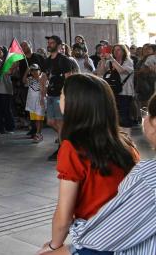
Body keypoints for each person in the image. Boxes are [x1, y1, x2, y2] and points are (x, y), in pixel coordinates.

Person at [35, 74, 138, 254]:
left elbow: (64, 215)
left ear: (74, 104)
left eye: (62, 94)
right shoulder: (125, 144)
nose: (60, 98)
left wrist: (53, 245)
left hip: (99, 238)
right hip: (129, 233)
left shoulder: (73, 148)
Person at [61, 94, 156, 255]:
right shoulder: (126, 143)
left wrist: (56, 246)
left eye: (146, 112)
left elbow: (99, 239)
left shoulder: (148, 177)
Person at [43, 35, 76, 161]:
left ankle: (62, 149)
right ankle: (68, 139)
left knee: (60, 122)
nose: (49, 44)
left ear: (58, 45)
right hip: (50, 94)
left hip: (60, 95)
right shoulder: (47, 60)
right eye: (49, 42)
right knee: (51, 122)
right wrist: (42, 94)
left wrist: (66, 95)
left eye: (52, 43)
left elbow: (69, 78)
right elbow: (44, 77)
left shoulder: (64, 60)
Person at [96, 44, 134, 134]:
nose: (116, 52)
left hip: (125, 92)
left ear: (124, 51)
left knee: (124, 117)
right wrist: (102, 60)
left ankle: (127, 138)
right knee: (113, 116)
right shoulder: (110, 62)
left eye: (118, 50)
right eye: (114, 50)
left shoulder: (128, 61)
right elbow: (100, 73)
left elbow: (121, 71)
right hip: (112, 92)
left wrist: (112, 59)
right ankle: (118, 137)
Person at [25, 64, 46, 142]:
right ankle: (38, 134)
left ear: (39, 70)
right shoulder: (30, 79)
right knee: (35, 119)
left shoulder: (43, 78)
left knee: (39, 119)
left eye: (35, 70)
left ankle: (38, 134)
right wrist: (26, 72)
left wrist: (43, 99)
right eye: (32, 70)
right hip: (32, 103)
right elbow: (23, 81)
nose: (34, 72)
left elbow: (45, 89)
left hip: (40, 102)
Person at [134, 43, 156, 109]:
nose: (146, 50)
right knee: (142, 111)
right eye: (144, 49)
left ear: (153, 51)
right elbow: (136, 73)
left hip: (152, 90)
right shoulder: (139, 61)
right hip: (141, 89)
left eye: (148, 49)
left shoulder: (154, 59)